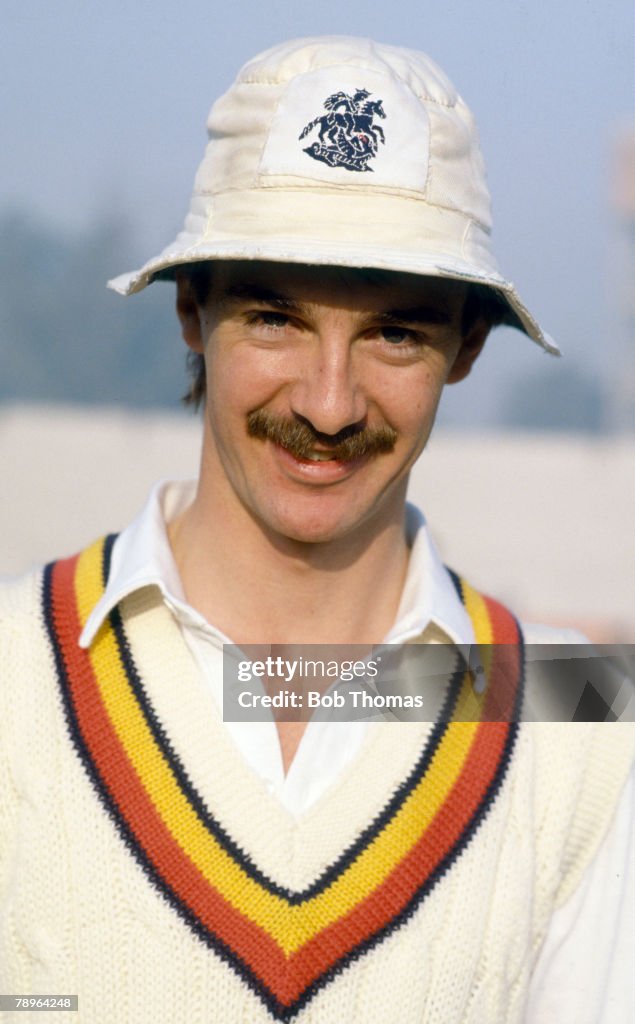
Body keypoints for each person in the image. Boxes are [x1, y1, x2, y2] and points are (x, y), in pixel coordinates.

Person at [1, 36, 633, 1024]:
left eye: (394, 331)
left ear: (466, 346)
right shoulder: (13, 673)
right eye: (274, 317)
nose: (331, 405)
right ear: (188, 309)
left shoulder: (580, 719)